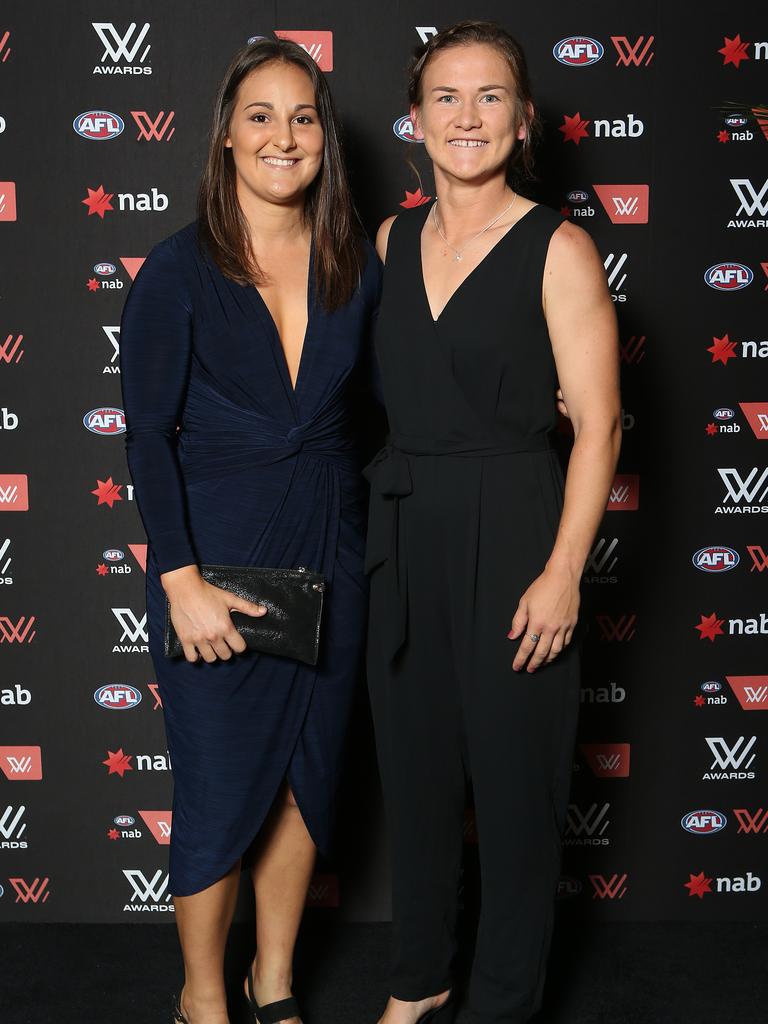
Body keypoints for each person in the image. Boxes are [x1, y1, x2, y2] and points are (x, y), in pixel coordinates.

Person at [365, 21, 621, 1024]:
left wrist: (564, 570)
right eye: (446, 97)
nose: (465, 117)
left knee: (515, 792)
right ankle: (418, 981)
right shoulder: (389, 240)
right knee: (417, 776)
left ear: (522, 122)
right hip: (403, 526)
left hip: (516, 522)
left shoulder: (559, 247)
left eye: (488, 98)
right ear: (416, 117)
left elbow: (598, 425)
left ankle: (503, 1002)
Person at [119, 39, 379, 1024]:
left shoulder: (353, 263)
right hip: (217, 561)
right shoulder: (177, 271)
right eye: (261, 115)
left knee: (307, 783)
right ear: (228, 133)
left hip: (333, 550)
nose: (284, 135)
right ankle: (201, 997)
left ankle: (273, 981)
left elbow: (399, 401)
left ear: (325, 139)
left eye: (304, 116)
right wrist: (178, 577)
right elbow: (147, 435)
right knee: (223, 787)